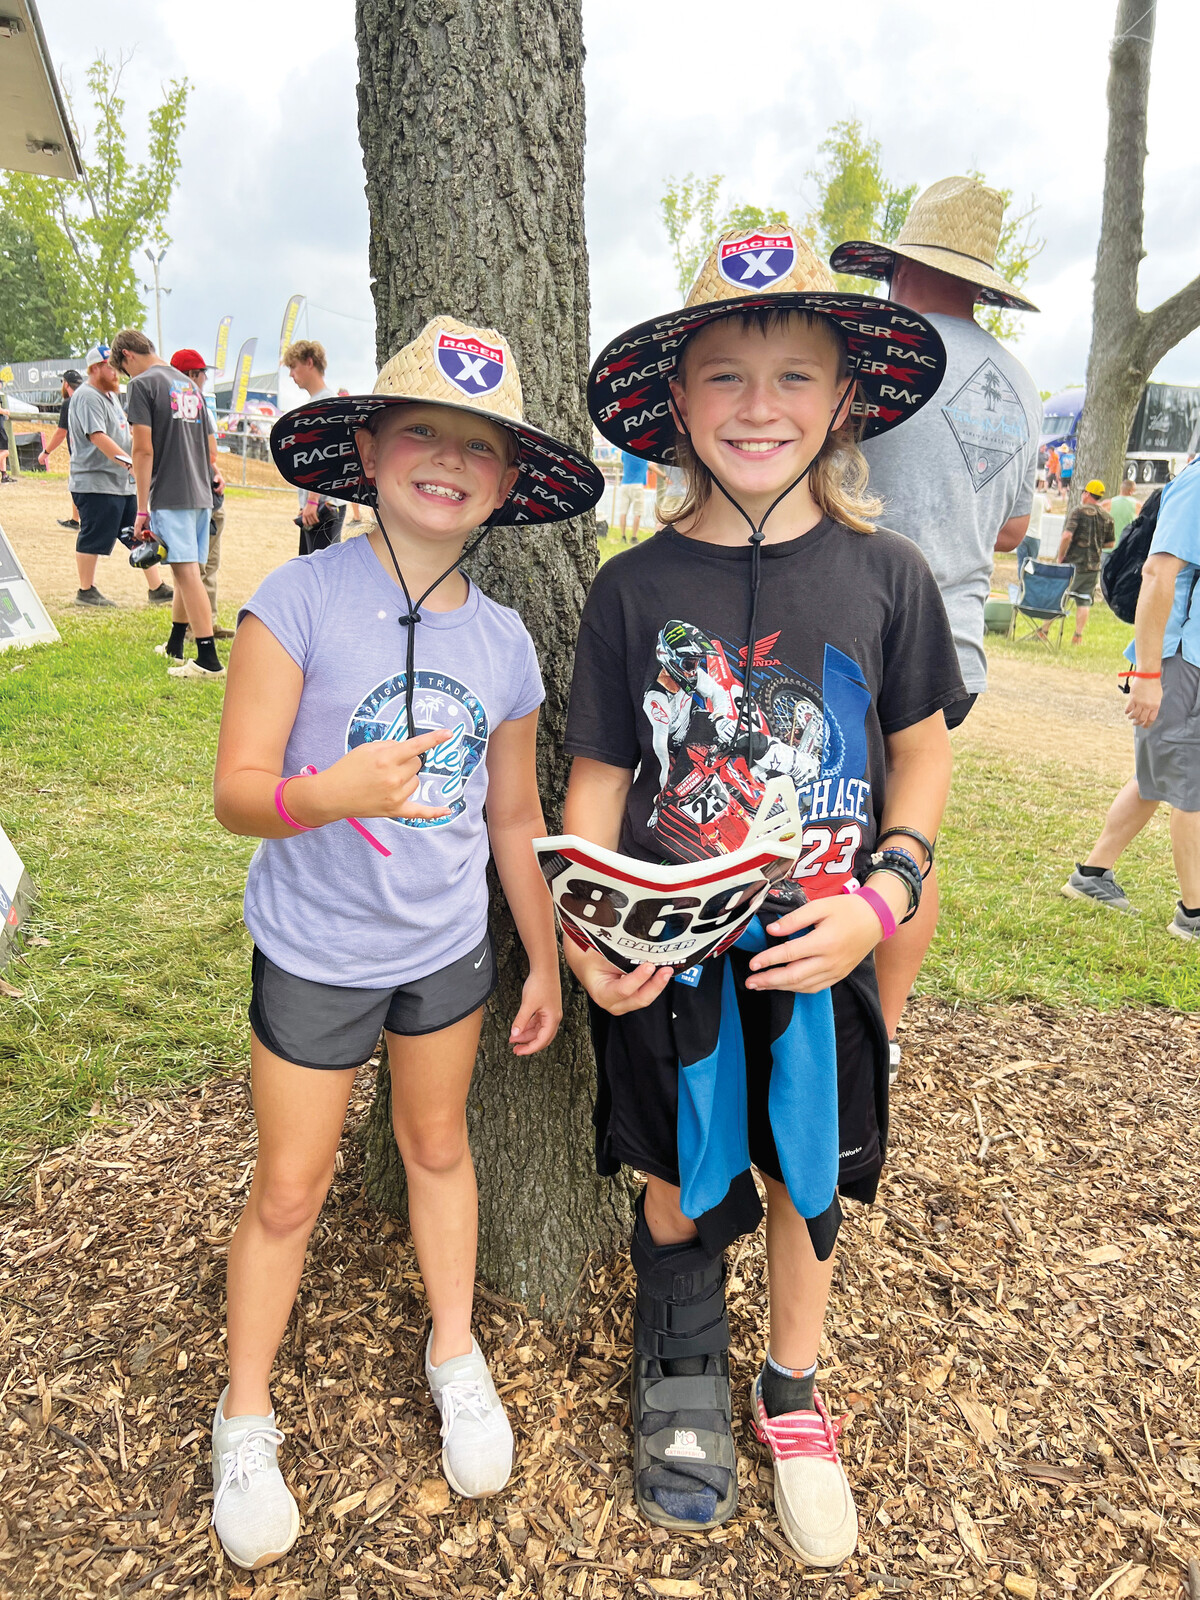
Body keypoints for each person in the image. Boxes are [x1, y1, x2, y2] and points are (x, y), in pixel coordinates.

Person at [573, 230, 961, 1567]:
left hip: (823, 957)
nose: (757, 407)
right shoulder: (631, 591)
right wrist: (592, 938)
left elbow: (921, 754)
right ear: (676, 404)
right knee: (681, 1179)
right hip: (671, 969)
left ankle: (791, 1388)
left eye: (793, 377)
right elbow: (597, 779)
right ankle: (681, 1374)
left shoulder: (890, 577)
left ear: (846, 399)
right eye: (726, 377)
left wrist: (885, 897)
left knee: (809, 1179)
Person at [208, 314, 603, 1571]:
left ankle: (456, 1351)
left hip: (445, 954)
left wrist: (540, 958)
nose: (446, 461)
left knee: (440, 1144)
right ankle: (245, 1413)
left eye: (476, 447)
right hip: (316, 949)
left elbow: (517, 815)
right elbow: (237, 792)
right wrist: (328, 793)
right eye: (420, 433)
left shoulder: (503, 642)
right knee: (289, 1186)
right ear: (369, 451)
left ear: (507, 482)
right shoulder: (299, 599)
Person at [828, 175, 1042, 1073]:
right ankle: (891, 1025)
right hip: (954, 636)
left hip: (857, 620)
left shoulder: (882, 352)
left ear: (899, 266)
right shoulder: (1021, 382)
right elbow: (1016, 528)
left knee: (835, 819)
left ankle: (831, 1009)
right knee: (910, 835)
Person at [1062, 459, 1200, 939]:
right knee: (1191, 785)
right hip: (1180, 656)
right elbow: (1159, 572)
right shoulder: (1199, 480)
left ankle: (1093, 875)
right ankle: (1194, 914)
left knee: (1156, 774)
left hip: (1188, 656)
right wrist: (1146, 673)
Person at [110, 328, 225, 679]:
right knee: (183, 567)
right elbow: (210, 449)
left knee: (185, 572)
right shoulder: (189, 385)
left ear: (127, 356)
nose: (128, 376)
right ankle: (176, 644)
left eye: (124, 370)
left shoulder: (142, 385)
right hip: (200, 493)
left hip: (170, 491)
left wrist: (142, 509)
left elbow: (142, 450)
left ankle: (208, 659)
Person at [67, 345, 172, 609]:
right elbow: (98, 436)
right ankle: (85, 590)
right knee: (94, 535)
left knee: (137, 535)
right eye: (109, 366)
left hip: (119, 483)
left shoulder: (112, 397)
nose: (116, 372)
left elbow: (126, 432)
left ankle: (156, 588)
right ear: (94, 369)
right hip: (96, 482)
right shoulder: (88, 396)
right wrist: (129, 464)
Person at [169, 349, 235, 640]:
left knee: (204, 564)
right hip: (198, 497)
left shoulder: (174, 406)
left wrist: (215, 471)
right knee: (195, 565)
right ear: (190, 376)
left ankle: (208, 620)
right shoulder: (192, 405)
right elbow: (209, 451)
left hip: (199, 492)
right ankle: (196, 628)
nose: (206, 378)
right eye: (201, 373)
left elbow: (209, 456)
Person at [282, 339, 345, 553]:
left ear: (309, 362)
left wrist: (312, 500)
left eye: (293, 366)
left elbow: (321, 456)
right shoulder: (321, 402)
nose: (291, 374)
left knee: (320, 573)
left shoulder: (323, 404)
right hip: (322, 503)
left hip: (323, 505)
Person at [1057, 479, 1114, 644]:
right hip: (1093, 565)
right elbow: (1111, 543)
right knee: (1084, 600)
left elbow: (1067, 536)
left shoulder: (1078, 512)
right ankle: (1078, 635)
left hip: (1073, 564)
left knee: (1060, 596)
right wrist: (1095, 543)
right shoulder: (1106, 516)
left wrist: (1061, 556)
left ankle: (1044, 630)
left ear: (1087, 494)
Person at [39, 369, 83, 527]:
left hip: (80, 453)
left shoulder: (69, 403)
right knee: (77, 484)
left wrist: (46, 452)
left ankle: (81, 520)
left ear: (66, 384)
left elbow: (60, 432)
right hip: (92, 451)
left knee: (78, 486)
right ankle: (75, 519)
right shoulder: (88, 398)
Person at [337, 387, 364, 523]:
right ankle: (357, 515)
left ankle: (358, 516)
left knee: (355, 487)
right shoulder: (353, 413)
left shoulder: (343, 415)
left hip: (354, 457)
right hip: (356, 456)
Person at [1015, 475, 1048, 571]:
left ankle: (1022, 584)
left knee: (1021, 562)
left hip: (1023, 534)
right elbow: (1049, 508)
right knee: (1032, 563)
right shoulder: (1041, 498)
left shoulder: (1024, 497)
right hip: (1036, 535)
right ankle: (1030, 583)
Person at [616, 448, 649, 541]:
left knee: (623, 512)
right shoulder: (643, 454)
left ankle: (623, 535)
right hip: (637, 484)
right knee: (638, 512)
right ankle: (634, 536)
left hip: (625, 483)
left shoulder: (625, 452)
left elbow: (622, 460)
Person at [1109, 478, 1139, 543]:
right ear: (1131, 491)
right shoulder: (1137, 505)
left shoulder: (1108, 503)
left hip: (1110, 546)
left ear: (1121, 489)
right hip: (1126, 545)